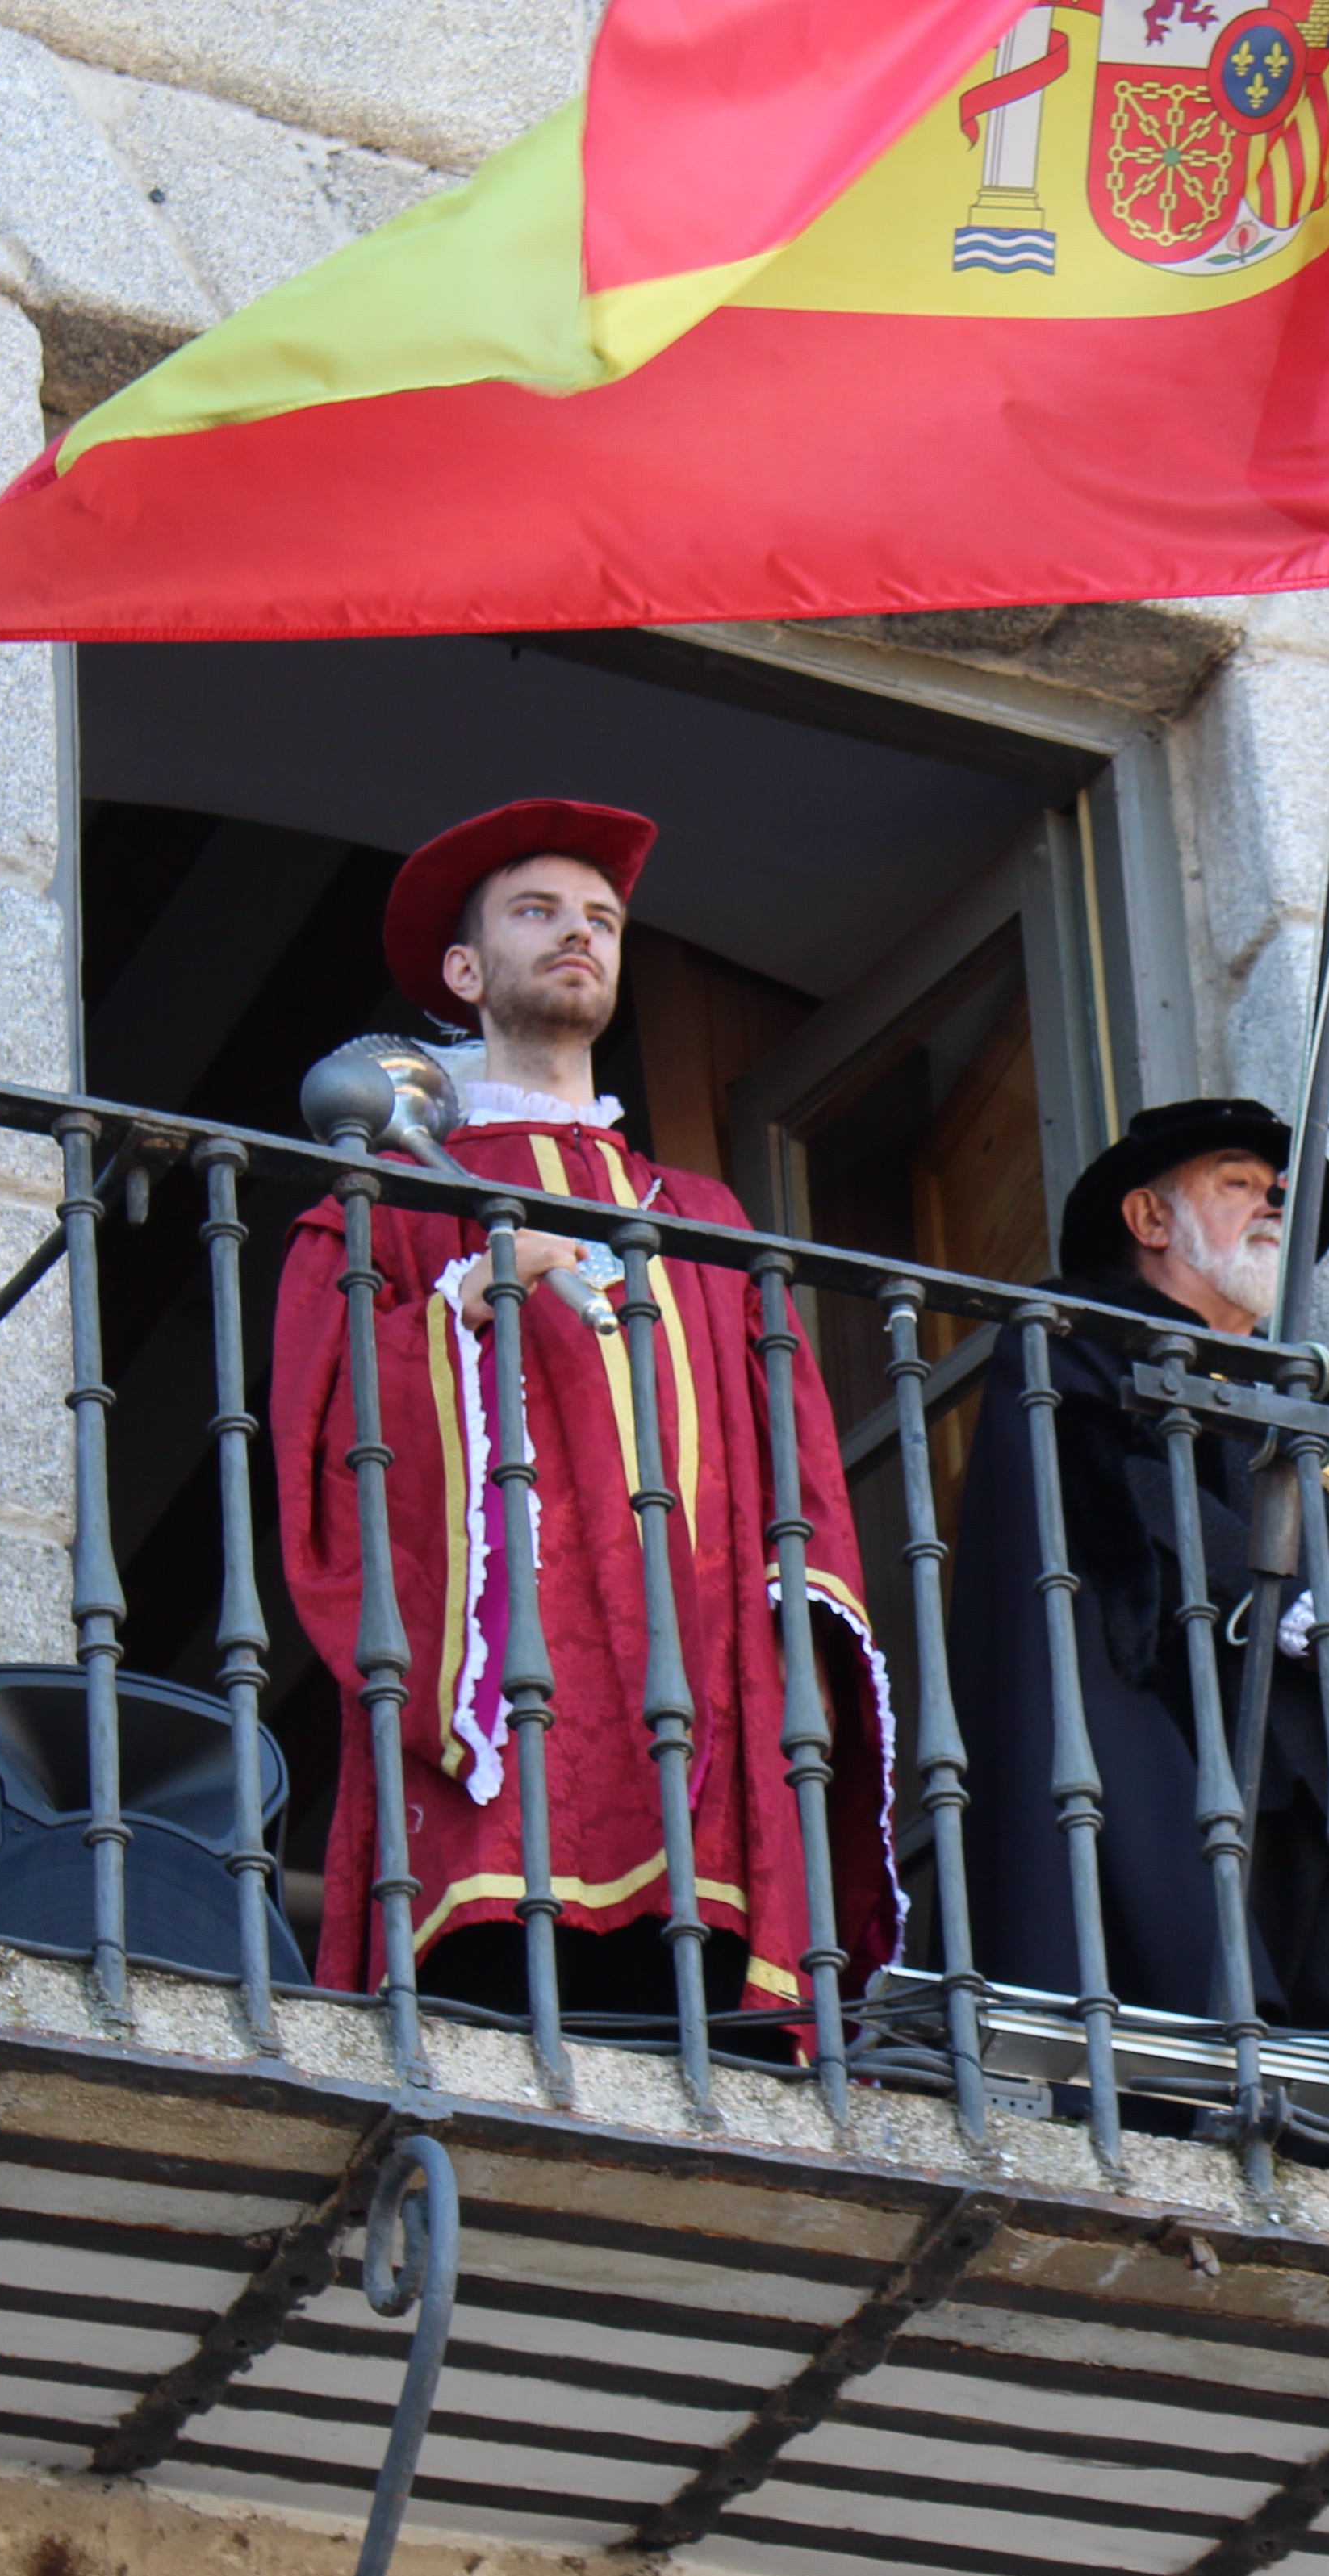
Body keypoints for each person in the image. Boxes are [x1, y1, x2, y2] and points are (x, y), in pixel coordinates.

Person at [271, 798, 893, 2023]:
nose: (579, 936)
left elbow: (796, 1453)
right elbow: (326, 1423)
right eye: (538, 913)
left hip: (705, 1673)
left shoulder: (706, 1213)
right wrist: (462, 1304)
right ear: (465, 969)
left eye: (601, 919)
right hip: (516, 1688)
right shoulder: (388, 1201)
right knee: (500, 1984)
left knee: (717, 2009)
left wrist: (798, 1648)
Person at [947, 1101, 1329, 2048]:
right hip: (1196, 1749)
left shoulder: (1313, 1389)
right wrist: (1306, 1607)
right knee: (1217, 2032)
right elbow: (1116, 1497)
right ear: (1149, 1220)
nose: (1272, 1203)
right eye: (1237, 1182)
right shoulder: (1084, 1340)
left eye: (1281, 1192)